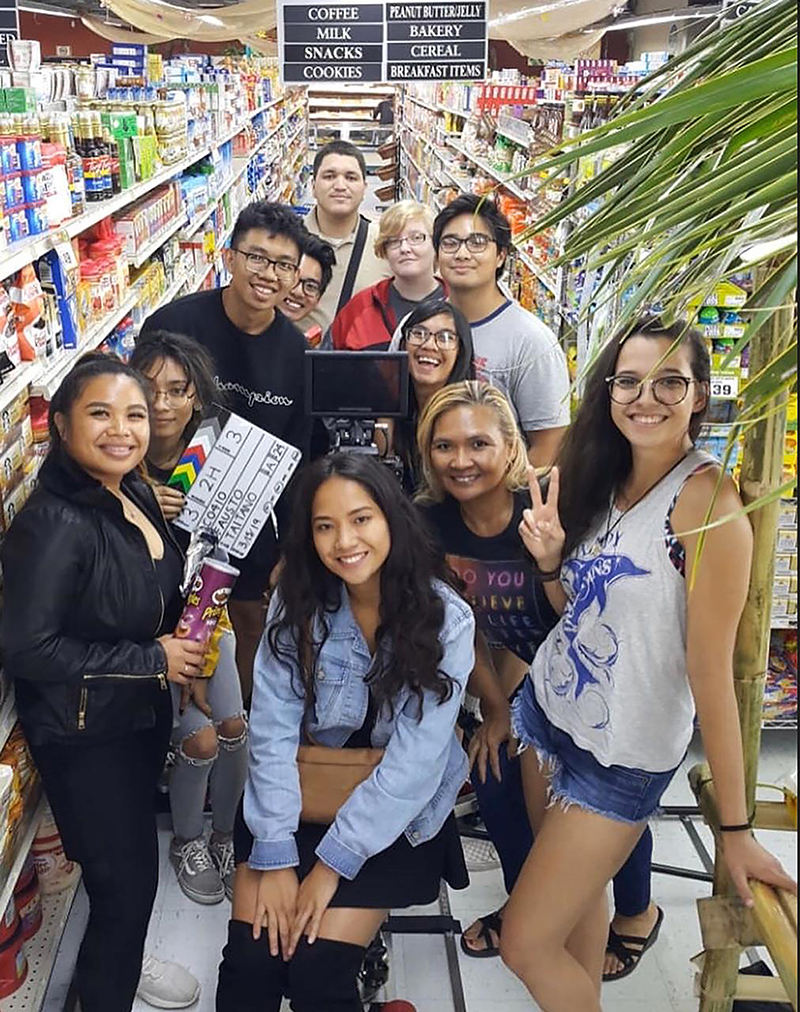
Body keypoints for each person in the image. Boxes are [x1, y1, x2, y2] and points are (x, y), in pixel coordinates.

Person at [500, 319, 797, 1011]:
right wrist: (549, 561)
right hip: (550, 715)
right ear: (609, 390)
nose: (646, 398)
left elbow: (711, 676)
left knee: (524, 943)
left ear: (699, 395)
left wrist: (735, 827)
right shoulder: (602, 476)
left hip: (621, 758)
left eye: (670, 382)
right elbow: (577, 605)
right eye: (629, 381)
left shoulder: (707, 506)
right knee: (576, 915)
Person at [414, 380, 658, 976]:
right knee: (494, 777)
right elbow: (458, 626)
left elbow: (583, 612)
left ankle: (634, 913)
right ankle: (530, 908)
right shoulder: (429, 521)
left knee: (597, 798)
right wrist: (497, 711)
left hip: (588, 677)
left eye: (478, 443)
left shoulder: (553, 503)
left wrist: (549, 561)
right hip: (512, 678)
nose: (462, 460)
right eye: (444, 446)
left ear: (511, 445)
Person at [215, 453, 475, 1011]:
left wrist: (330, 867)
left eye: (361, 519)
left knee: (315, 972)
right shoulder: (298, 601)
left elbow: (416, 762)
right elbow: (273, 728)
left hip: (393, 818)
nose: (344, 541)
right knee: (251, 967)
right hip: (293, 800)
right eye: (324, 525)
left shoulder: (445, 618)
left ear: (392, 520)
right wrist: (278, 855)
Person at [1, 354, 204, 1012]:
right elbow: (28, 647)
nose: (122, 429)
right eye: (100, 413)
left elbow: (144, 589)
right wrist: (154, 660)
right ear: (60, 424)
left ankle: (121, 959)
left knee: (124, 879)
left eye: (135, 414)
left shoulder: (131, 487)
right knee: (125, 889)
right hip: (86, 739)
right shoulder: (53, 522)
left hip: (133, 716)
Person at [140, 201, 312, 703]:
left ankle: (237, 730)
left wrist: (291, 549)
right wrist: (142, 487)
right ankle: (172, 736)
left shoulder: (299, 355)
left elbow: (297, 460)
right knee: (160, 625)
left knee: (248, 627)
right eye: (257, 258)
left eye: (284, 265)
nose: (269, 274)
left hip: (243, 523)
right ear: (229, 257)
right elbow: (133, 414)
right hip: (161, 516)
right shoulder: (174, 324)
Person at [130, 331, 248, 906]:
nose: (163, 404)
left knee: (233, 730)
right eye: (150, 390)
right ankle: (187, 839)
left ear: (197, 397)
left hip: (206, 621)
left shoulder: (215, 455)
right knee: (198, 741)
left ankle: (227, 834)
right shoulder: (115, 460)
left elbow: (222, 563)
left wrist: (200, 654)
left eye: (178, 390)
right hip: (144, 636)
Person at [431, 194, 570, 466]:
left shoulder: (531, 341)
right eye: (450, 243)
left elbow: (549, 444)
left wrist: (508, 502)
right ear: (437, 255)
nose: (462, 253)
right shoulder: (418, 328)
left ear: (501, 256)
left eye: (477, 242)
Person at [329, 201, 444, 351]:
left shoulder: (458, 304)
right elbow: (329, 365)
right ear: (384, 250)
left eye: (416, 238)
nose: (405, 248)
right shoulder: (359, 308)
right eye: (393, 241)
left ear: (436, 244)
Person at [304, 140, 392, 333]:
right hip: (298, 360)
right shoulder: (289, 241)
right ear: (313, 185)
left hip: (362, 361)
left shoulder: (386, 244)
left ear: (364, 188)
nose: (340, 185)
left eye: (351, 177)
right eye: (329, 176)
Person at [389, 297, 473, 491]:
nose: (429, 345)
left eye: (445, 337)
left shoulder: (469, 416)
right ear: (402, 345)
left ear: (461, 351)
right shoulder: (390, 410)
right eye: (418, 334)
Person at [280, 232, 337, 345]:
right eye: (292, 279)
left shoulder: (302, 349)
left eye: (310, 286)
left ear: (319, 298)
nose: (298, 292)